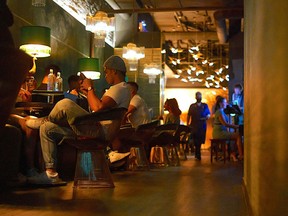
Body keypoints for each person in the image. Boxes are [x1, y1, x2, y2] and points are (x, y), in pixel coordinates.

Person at [26, 55, 131, 185]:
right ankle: (51, 173)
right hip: (97, 130)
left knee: (65, 103)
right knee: (47, 129)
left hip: (98, 131)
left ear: (114, 71)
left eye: (107, 72)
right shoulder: (122, 89)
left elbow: (97, 107)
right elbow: (101, 107)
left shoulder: (119, 87)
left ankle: (45, 119)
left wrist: (90, 88)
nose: (105, 76)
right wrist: (88, 94)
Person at [212, 96, 243, 161]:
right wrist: (236, 126)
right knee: (238, 135)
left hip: (222, 131)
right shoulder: (219, 112)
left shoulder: (222, 111)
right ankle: (240, 155)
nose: (226, 104)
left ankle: (234, 153)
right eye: (225, 102)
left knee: (236, 135)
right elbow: (225, 124)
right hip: (219, 133)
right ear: (220, 103)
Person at [187, 92, 210, 160]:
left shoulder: (204, 105)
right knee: (195, 139)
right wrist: (188, 124)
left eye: (199, 96)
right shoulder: (192, 106)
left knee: (200, 139)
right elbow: (189, 115)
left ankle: (198, 152)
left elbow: (208, 114)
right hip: (194, 124)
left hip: (202, 125)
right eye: (197, 96)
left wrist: (206, 118)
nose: (198, 97)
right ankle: (197, 153)